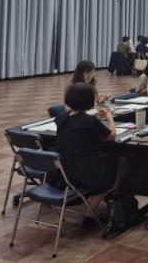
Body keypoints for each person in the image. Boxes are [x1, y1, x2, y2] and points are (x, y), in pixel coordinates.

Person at [54, 83, 118, 220]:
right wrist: (109, 117)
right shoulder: (90, 121)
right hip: (84, 175)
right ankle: (89, 215)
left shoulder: (61, 119)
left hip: (63, 174)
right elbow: (112, 135)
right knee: (111, 179)